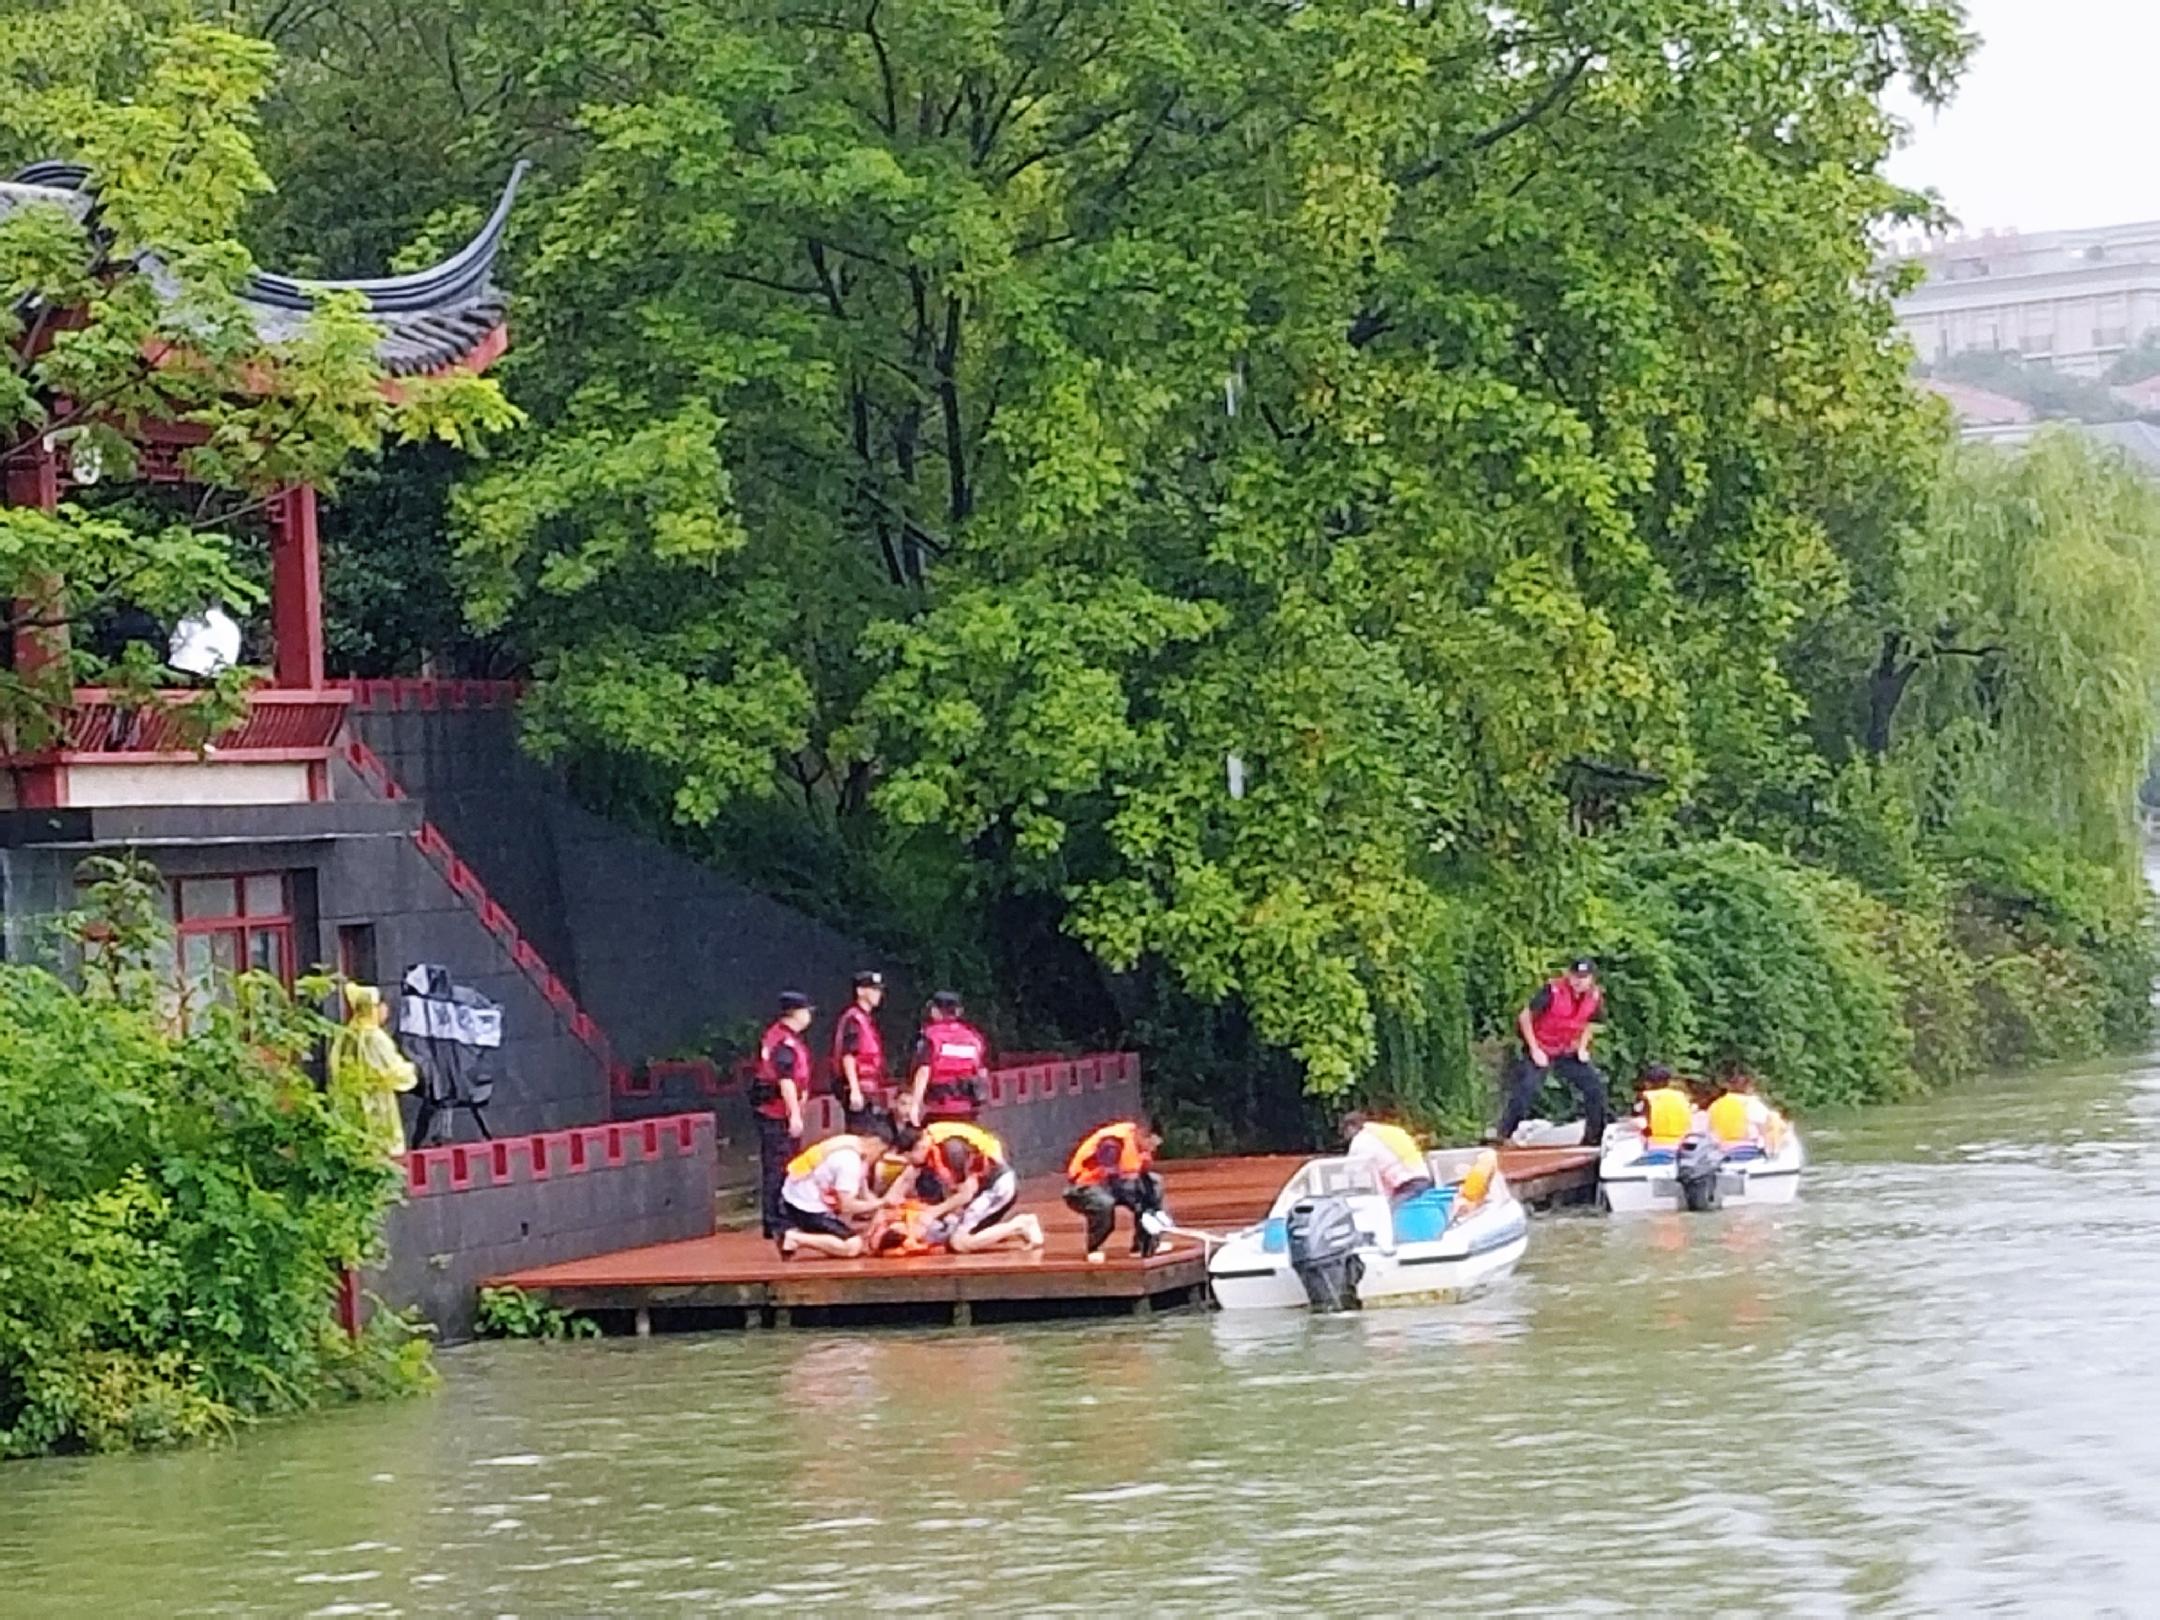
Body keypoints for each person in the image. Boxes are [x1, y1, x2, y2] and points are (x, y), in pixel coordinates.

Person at [1496, 957, 1609, 1148]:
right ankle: (1505, 1133)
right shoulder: (1552, 990)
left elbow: (1592, 1022)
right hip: (1542, 1045)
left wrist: (1582, 1047)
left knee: (1594, 1086)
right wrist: (1534, 1049)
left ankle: (1594, 1137)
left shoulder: (1594, 996)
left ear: (1591, 979)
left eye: (1583, 977)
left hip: (1566, 1048)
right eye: (1575, 976)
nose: (1579, 981)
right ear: (1569, 975)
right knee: (1526, 1087)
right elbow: (1525, 1016)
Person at [890, 1120, 1042, 1253]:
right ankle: (1005, 1231)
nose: (911, 1163)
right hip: (980, 1192)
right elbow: (907, 1178)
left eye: (909, 1158)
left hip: (996, 1187)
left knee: (959, 1243)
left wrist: (933, 1212)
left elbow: (967, 1193)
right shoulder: (929, 1149)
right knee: (949, 1231)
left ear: (918, 1146)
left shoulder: (951, 1149)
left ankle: (1021, 1224)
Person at [326, 982, 418, 1158]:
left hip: (347, 1100)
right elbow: (392, 1071)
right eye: (382, 1005)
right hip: (375, 1101)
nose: (386, 1010)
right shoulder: (375, 1037)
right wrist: (412, 1070)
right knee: (379, 1147)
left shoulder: (347, 1034)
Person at [751, 992, 815, 1239]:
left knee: (784, 1165)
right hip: (776, 1113)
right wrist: (795, 1114)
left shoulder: (786, 1038)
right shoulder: (783, 1042)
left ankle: (781, 1217)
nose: (809, 1016)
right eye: (806, 1010)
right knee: (777, 1167)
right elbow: (785, 1080)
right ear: (795, 1013)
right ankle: (774, 1220)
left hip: (779, 1110)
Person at [776, 1128, 892, 1258]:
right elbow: (847, 1206)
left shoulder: (852, 1144)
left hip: (796, 1194)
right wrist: (882, 1202)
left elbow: (864, 1193)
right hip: (806, 1207)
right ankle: (794, 1238)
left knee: (853, 1229)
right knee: (853, 1246)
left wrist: (880, 1206)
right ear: (876, 1144)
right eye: (881, 1153)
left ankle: (829, 1240)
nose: (879, 1158)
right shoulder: (850, 1162)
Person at [1064, 1120, 1166, 1261]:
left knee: (1153, 1187)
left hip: (1117, 1185)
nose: (1153, 1149)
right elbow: (1109, 1175)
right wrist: (1132, 1191)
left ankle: (1144, 1244)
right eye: (1152, 1144)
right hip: (1086, 1187)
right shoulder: (1113, 1142)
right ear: (1143, 1135)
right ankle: (1094, 1248)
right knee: (1104, 1203)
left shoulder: (1142, 1150)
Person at [906, 990, 990, 1126]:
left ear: (935, 1011)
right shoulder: (973, 1037)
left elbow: (924, 1071)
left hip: (938, 1110)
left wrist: (915, 1105)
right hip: (967, 1111)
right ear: (957, 1012)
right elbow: (981, 1073)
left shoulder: (930, 1036)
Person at [831, 970, 891, 1133]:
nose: (878, 994)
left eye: (879, 990)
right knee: (861, 1135)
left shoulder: (865, 1019)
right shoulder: (854, 1019)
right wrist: (855, 1089)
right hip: (859, 1088)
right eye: (873, 989)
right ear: (860, 991)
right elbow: (848, 1055)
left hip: (868, 1088)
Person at [1340, 1112, 1434, 1204]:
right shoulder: (1386, 1131)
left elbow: (1351, 1172)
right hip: (1423, 1177)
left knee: (1388, 1215)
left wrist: (1341, 1191)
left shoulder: (1361, 1140)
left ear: (1350, 1127)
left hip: (1407, 1184)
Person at [1706, 1071, 1786, 1150]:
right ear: (1748, 1086)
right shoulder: (1752, 1103)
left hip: (1722, 1149)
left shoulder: (1716, 1105)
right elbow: (1768, 1125)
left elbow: (1710, 1130)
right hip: (1748, 1149)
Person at [1633, 1064, 1697, 1145]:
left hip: (1656, 1142)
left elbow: (1646, 1124)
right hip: (1681, 1141)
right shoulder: (1681, 1096)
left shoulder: (1648, 1097)